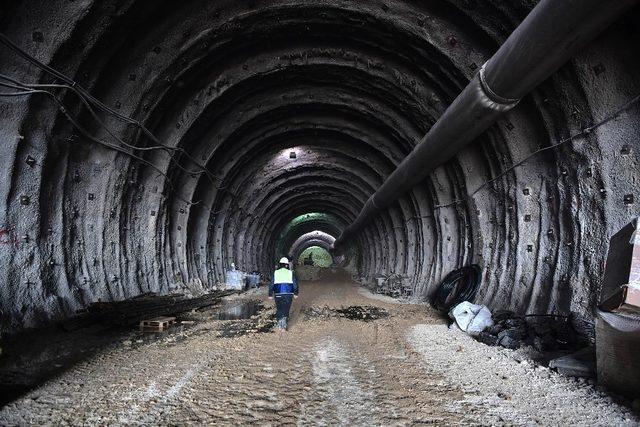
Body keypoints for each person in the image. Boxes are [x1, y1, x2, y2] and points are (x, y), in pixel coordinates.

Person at [268, 257, 298, 330]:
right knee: (286, 308)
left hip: (278, 293)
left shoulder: (276, 272)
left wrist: (270, 294)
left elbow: (271, 284)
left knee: (279, 308)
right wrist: (296, 293)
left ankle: (280, 324)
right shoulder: (291, 273)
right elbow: (295, 285)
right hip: (288, 294)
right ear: (287, 265)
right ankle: (283, 325)